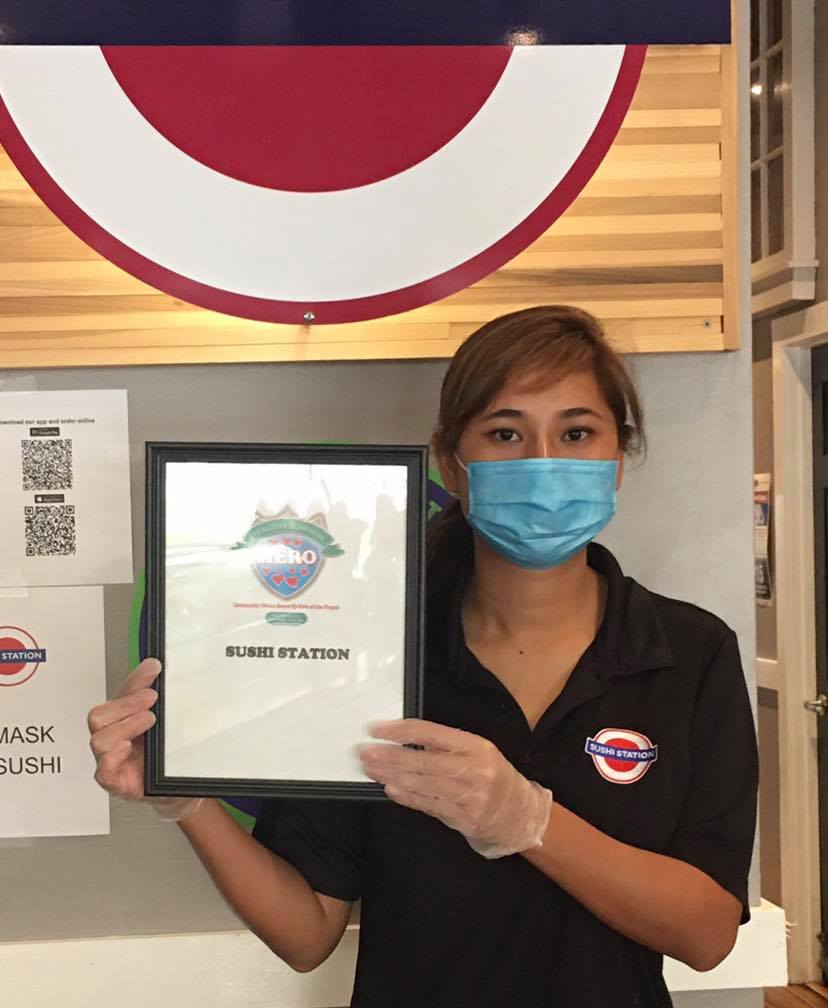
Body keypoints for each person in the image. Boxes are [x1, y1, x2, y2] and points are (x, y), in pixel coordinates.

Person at [88, 305, 758, 1008]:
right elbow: (306, 932)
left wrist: (529, 822)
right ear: (451, 462)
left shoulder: (688, 652)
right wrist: (184, 797)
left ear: (618, 458)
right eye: (505, 433)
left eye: (576, 432)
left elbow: (707, 933)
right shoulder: (368, 653)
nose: (542, 461)